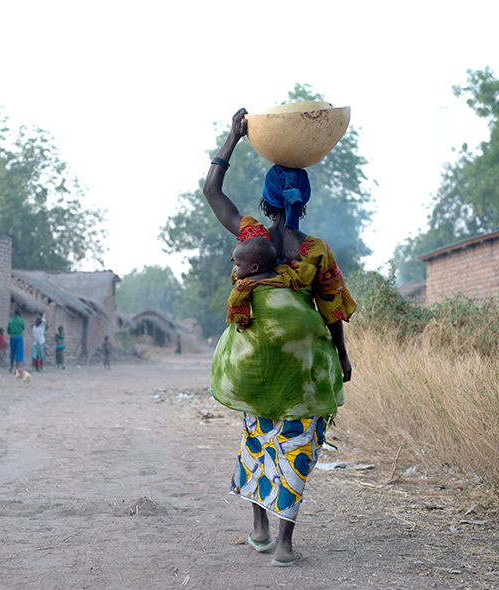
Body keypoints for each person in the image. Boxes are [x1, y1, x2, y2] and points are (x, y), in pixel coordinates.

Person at [201, 108, 355, 567]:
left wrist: (232, 138)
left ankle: (259, 528)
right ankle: (285, 544)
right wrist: (342, 358)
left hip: (258, 359)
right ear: (303, 199)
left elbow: (212, 191)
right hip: (304, 367)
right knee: (298, 444)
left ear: (267, 198)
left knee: (258, 437)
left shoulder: (252, 238)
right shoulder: (316, 251)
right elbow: (331, 310)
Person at [226, 236, 316, 332]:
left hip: (268, 330)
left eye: (238, 265)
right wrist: (294, 262)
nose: (234, 269)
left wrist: (240, 321)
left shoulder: (246, 284)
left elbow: (235, 301)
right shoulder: (284, 272)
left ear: (254, 268)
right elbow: (304, 277)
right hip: (298, 324)